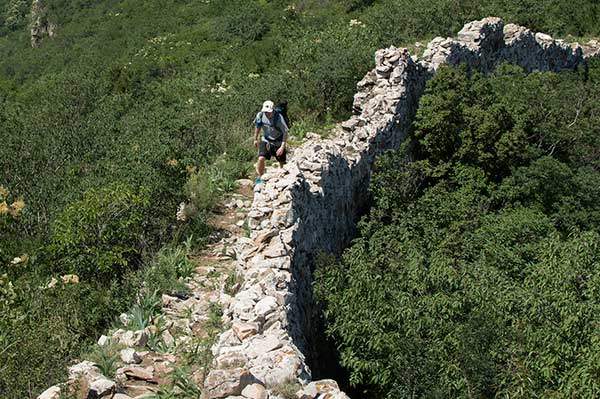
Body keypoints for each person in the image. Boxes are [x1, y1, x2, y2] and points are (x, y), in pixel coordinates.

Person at [253, 100, 289, 185]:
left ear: (272, 110)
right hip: (266, 139)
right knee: (261, 158)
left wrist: (282, 147)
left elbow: (285, 132)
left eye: (268, 112)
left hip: (278, 141)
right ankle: (260, 177)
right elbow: (257, 127)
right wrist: (255, 139)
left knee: (281, 161)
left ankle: (281, 176)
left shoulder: (279, 118)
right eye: (265, 112)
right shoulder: (260, 115)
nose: (267, 113)